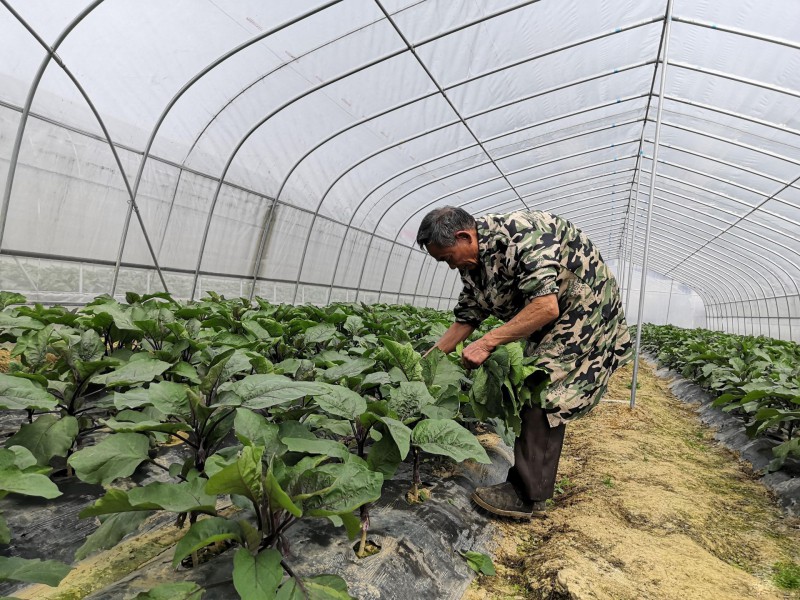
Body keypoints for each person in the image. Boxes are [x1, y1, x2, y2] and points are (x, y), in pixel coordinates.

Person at [417, 206, 633, 519]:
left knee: (542, 389)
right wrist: (423, 367)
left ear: (464, 236)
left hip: (585, 310)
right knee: (532, 384)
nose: (451, 266)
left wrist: (488, 341)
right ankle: (527, 486)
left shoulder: (523, 235)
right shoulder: (473, 261)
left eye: (448, 257)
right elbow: (467, 318)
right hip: (551, 319)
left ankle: (525, 494)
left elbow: (546, 307)